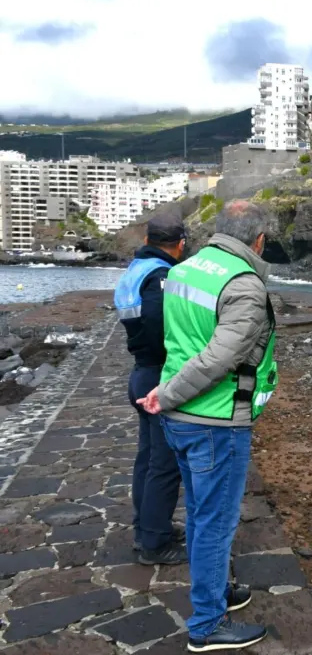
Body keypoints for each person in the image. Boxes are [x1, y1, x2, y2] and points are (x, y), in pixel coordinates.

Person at [138, 200, 277, 653]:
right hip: (216, 421)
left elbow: (177, 338)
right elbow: (220, 357)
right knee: (216, 524)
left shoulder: (184, 269)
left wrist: (167, 394)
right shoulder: (244, 285)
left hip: (182, 422)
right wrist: (168, 395)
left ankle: (214, 593)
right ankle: (206, 625)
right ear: (258, 240)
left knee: (200, 515)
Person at [114, 214, 188, 566]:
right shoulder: (161, 277)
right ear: (181, 243)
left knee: (147, 458)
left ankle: (146, 527)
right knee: (165, 462)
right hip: (158, 376)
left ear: (147, 236)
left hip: (140, 371)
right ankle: (154, 544)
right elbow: (163, 329)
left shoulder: (135, 270)